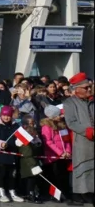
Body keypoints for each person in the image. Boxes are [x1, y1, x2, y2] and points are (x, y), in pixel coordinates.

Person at [62, 72, 93, 205]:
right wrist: (87, 131)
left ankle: (91, 193)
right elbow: (71, 122)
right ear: (78, 89)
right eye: (86, 88)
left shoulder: (92, 101)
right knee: (82, 168)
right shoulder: (69, 103)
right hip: (81, 140)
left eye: (89, 87)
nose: (89, 90)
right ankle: (80, 194)